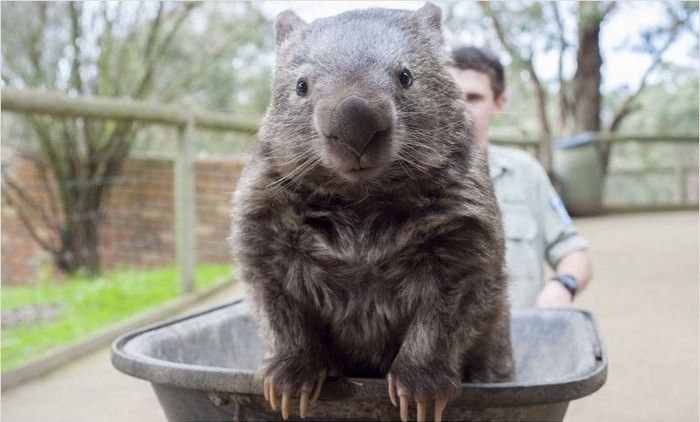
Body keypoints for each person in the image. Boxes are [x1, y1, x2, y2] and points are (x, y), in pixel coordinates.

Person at [448, 46, 593, 310]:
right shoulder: (409, 180)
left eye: (474, 97)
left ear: (500, 102)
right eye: (452, 96)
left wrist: (563, 286)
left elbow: (574, 252)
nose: (461, 108)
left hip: (523, 339)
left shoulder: (526, 172)